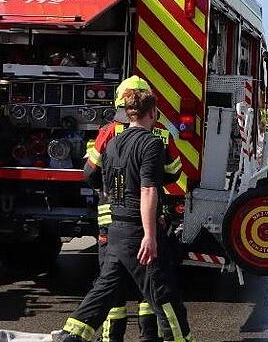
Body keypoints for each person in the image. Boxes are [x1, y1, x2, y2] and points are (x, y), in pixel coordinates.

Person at [56, 85, 193, 342]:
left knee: (105, 290)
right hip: (138, 231)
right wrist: (150, 235)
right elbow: (149, 189)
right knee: (163, 294)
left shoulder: (112, 142)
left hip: (115, 231)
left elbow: (96, 177)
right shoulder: (152, 143)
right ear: (152, 113)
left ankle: (71, 336)